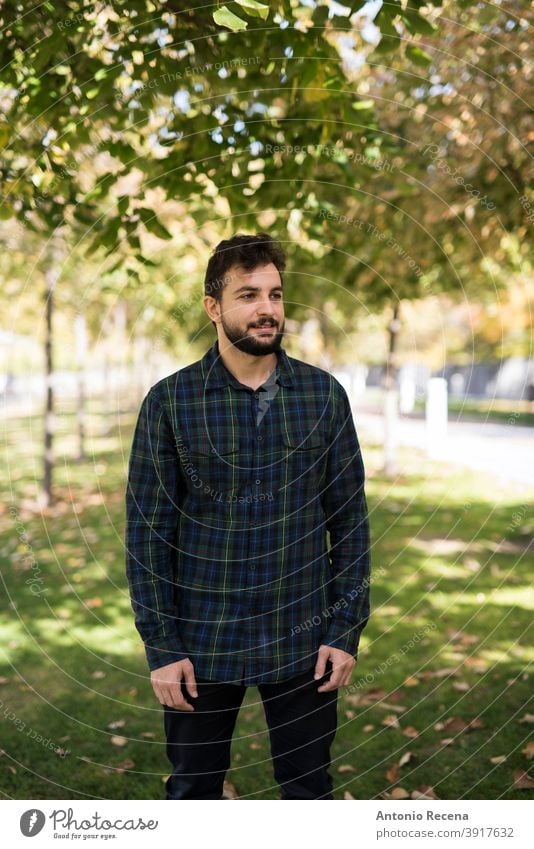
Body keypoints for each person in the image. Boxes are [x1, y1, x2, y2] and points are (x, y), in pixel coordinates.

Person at [125, 233, 371, 800]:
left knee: (309, 790)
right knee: (193, 792)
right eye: (248, 295)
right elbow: (148, 535)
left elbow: (351, 524)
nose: (267, 309)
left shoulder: (323, 396)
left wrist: (345, 631)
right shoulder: (170, 402)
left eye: (276, 295)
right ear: (214, 308)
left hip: (305, 639)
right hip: (201, 641)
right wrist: (162, 647)